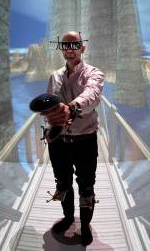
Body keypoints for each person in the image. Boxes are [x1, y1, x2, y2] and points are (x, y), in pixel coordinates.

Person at [41, 31, 104, 246]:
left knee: (86, 185)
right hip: (59, 142)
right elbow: (51, 107)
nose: (69, 48)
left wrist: (71, 107)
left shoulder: (94, 73)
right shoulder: (54, 76)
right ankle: (68, 218)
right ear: (61, 48)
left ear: (82, 47)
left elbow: (92, 95)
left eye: (74, 44)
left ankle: (85, 226)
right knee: (63, 183)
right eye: (65, 45)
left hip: (85, 139)